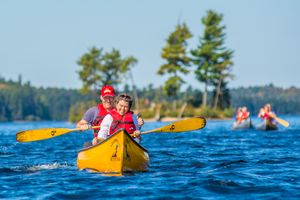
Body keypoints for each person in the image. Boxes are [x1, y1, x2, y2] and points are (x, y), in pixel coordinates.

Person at [76, 85, 144, 145]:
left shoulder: (120, 108)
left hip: (125, 141)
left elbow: (134, 116)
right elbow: (79, 126)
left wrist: (139, 120)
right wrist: (82, 127)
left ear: (114, 97)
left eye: (110, 97)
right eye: (106, 97)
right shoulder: (93, 111)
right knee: (87, 145)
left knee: (138, 138)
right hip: (101, 142)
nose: (108, 100)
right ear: (101, 97)